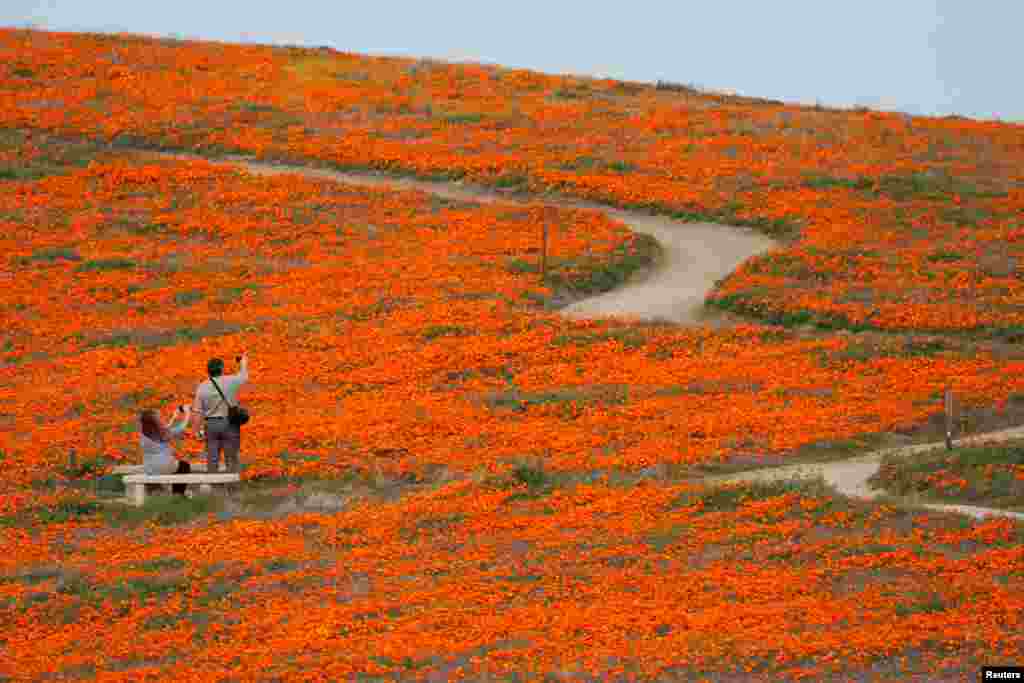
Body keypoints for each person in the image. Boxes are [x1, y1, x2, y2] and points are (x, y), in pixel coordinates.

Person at [192, 352, 249, 474]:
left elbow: (197, 411)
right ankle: (231, 488)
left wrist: (196, 431)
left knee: (212, 459)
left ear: (208, 371)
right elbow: (244, 377)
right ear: (222, 369)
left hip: (211, 425)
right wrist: (243, 363)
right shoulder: (230, 381)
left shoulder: (202, 387)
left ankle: (214, 487)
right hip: (229, 423)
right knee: (231, 457)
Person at [139, 405, 192, 495]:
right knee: (184, 466)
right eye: (159, 417)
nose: (161, 419)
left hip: (149, 468)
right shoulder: (162, 433)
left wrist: (173, 418)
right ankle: (178, 494)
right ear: (156, 421)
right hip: (164, 465)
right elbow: (181, 428)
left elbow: (163, 429)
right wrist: (187, 413)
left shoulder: (143, 434)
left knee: (156, 471)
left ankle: (155, 493)